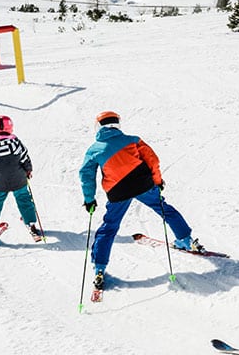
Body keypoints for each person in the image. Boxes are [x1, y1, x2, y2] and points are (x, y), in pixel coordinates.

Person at [79, 111, 202, 291]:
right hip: (142, 184)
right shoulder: (134, 140)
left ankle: (99, 268)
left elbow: (86, 174)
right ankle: (186, 240)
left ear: (98, 127)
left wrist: (89, 200)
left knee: (110, 227)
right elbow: (153, 160)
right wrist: (158, 182)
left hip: (118, 191)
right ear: (117, 125)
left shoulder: (94, 149)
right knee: (164, 209)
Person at [0, 115, 40, 247]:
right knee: (24, 199)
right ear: (10, 127)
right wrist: (28, 170)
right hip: (18, 179)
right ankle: (31, 223)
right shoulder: (15, 142)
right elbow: (24, 157)